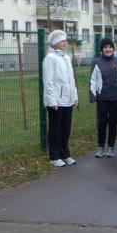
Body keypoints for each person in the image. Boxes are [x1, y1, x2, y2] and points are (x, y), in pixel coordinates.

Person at [42, 28, 79, 168]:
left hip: (68, 100)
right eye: (62, 41)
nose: (65, 43)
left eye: (65, 40)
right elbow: (48, 81)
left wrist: (74, 96)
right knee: (55, 130)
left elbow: (71, 79)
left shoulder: (66, 57)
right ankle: (55, 156)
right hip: (56, 101)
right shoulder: (50, 58)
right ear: (55, 42)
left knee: (65, 129)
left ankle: (65, 154)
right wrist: (52, 101)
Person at [90, 37, 117, 158]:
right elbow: (93, 80)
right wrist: (92, 94)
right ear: (102, 49)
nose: (108, 49)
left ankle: (111, 147)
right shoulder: (96, 62)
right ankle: (101, 146)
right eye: (105, 47)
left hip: (116, 98)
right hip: (102, 98)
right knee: (101, 122)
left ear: (113, 48)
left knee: (113, 122)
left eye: (110, 47)